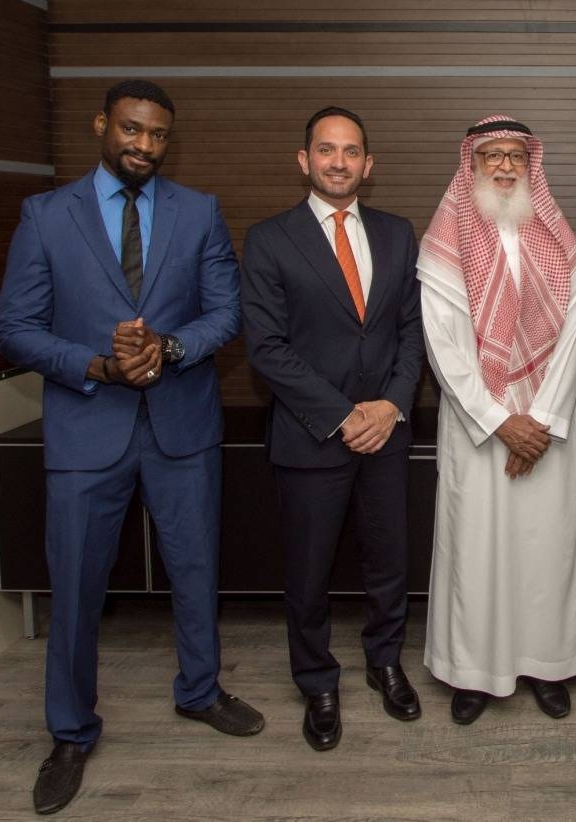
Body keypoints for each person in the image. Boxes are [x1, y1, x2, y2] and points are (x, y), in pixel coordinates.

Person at [0, 79, 262, 815]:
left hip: (181, 424)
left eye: (157, 135)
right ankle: (72, 731)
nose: (143, 145)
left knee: (195, 570)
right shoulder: (46, 216)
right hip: (87, 427)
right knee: (77, 587)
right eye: (131, 130)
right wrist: (98, 365)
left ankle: (200, 692)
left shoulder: (199, 211)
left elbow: (226, 311)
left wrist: (169, 348)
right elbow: (16, 327)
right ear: (101, 126)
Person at [240, 107, 425, 751]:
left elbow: (411, 332)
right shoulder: (269, 240)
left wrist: (391, 404)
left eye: (351, 152)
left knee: (389, 561)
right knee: (310, 572)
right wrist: (345, 415)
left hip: (387, 434)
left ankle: (385, 661)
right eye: (326, 150)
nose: (338, 162)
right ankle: (317, 679)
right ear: (304, 159)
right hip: (310, 435)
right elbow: (266, 348)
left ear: (368, 166)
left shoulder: (400, 234)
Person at [417, 115, 576, 725]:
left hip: (548, 425)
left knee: (546, 552)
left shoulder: (559, 237)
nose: (505, 165)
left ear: (531, 164)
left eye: (516, 154)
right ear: (472, 163)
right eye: (491, 154)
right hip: (479, 426)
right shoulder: (446, 239)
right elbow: (442, 345)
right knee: (478, 550)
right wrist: (498, 421)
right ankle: (475, 674)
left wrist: (538, 420)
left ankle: (547, 666)